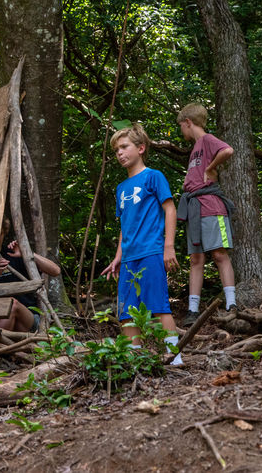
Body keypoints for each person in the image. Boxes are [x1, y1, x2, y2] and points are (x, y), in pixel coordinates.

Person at [100, 123, 182, 365]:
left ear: (141, 148)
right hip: (128, 257)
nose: (120, 154)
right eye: (116, 150)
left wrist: (169, 246)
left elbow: (170, 209)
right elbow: (125, 226)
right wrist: (118, 256)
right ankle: (133, 357)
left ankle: (174, 357)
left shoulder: (153, 177)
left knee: (158, 304)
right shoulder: (120, 188)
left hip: (151, 251)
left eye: (124, 147)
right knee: (126, 310)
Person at [175, 103, 237, 327]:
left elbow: (227, 150)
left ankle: (232, 304)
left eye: (181, 126)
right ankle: (193, 309)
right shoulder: (195, 148)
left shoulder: (208, 139)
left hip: (211, 206)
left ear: (189, 122)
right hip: (194, 209)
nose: (181, 131)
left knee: (219, 254)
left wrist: (211, 167)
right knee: (196, 259)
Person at [0, 219, 60, 333]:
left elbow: (55, 271)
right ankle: (5, 346)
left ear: (4, 233)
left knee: (12, 305)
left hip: (27, 317)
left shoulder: (12, 253)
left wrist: (27, 253)